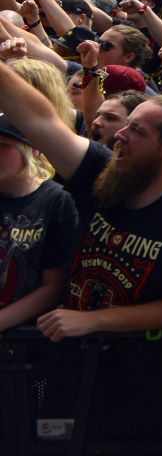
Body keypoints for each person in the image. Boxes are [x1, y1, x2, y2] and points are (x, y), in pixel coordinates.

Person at [0, 60, 162, 339]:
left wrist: (96, 321)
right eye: (128, 124)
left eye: (138, 131)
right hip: (74, 359)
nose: (120, 134)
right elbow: (37, 118)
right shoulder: (101, 169)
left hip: (145, 371)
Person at [0, 113, 78, 332]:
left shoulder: (57, 201)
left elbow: (53, 287)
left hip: (27, 335)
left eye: (4, 145)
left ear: (33, 151)